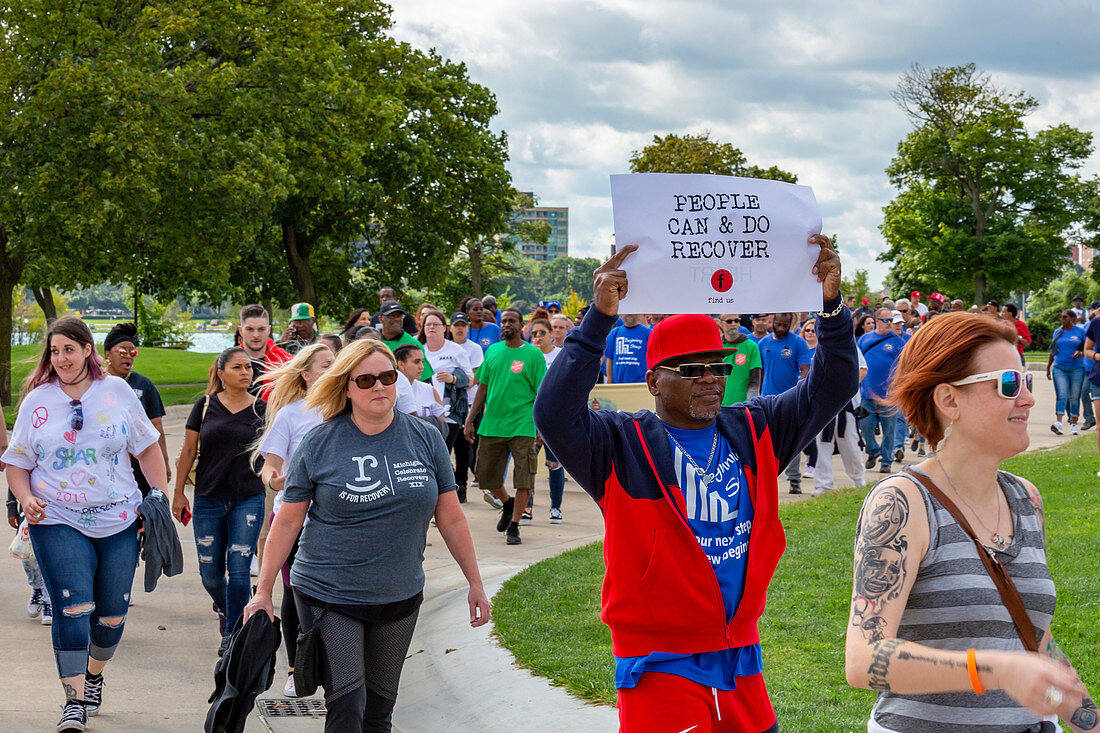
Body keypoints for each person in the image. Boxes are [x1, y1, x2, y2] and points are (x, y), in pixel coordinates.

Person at [534, 236, 857, 733]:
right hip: (659, 660)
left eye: (718, 367)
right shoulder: (620, 445)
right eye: (691, 369)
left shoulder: (755, 430)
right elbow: (553, 414)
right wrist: (596, 321)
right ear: (654, 381)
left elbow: (832, 385)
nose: (710, 379)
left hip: (739, 653)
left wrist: (831, 308)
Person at [844, 312, 1095, 732]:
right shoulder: (903, 502)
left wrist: (1088, 719)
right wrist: (992, 670)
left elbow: (1036, 640)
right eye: (1009, 385)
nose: (1029, 399)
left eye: (1027, 383)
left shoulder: (1026, 498)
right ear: (949, 401)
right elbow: (864, 659)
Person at [242, 338, 490, 733]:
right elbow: (287, 523)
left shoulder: (426, 437)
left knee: (379, 711)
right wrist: (263, 591)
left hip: (400, 595)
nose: (379, 386)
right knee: (348, 702)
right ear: (346, 387)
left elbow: (452, 518)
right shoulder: (319, 442)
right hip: (329, 592)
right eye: (366, 380)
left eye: (387, 377)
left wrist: (475, 583)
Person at [4, 316, 168, 731]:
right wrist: (26, 498)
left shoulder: (117, 392)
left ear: (87, 351)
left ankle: (94, 675)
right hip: (56, 518)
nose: (61, 358)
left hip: (118, 519)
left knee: (111, 614)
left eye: (69, 350)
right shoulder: (37, 401)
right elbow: (17, 463)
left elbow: (148, 448)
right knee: (72, 607)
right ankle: (74, 700)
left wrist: (160, 497)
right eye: (54, 351)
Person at [173, 347, 267, 657]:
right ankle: (230, 606)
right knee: (210, 572)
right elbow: (188, 451)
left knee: (239, 568)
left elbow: (273, 453)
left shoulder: (263, 410)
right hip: (208, 498)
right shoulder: (205, 406)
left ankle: (233, 635)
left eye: (249, 367)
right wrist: (178, 492)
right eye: (237, 367)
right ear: (221, 372)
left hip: (248, 499)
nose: (245, 372)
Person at [253, 343, 334, 698]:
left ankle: (335, 663)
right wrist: (277, 479)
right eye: (326, 364)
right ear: (306, 374)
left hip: (337, 517)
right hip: (294, 514)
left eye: (336, 362)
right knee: (296, 591)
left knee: (332, 593)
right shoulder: (291, 414)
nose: (334, 368)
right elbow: (269, 466)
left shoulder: (347, 409)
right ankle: (294, 668)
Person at [464, 308, 547, 546]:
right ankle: (507, 503)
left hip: (522, 425)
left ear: (522, 326)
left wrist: (541, 427)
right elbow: (482, 387)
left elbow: (541, 393)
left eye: (512, 321)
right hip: (492, 425)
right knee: (485, 477)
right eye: (504, 321)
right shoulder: (492, 351)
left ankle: (515, 525)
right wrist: (470, 419)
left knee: (524, 479)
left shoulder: (533, 355)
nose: (506, 324)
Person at [102, 322, 171, 497]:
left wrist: (164, 461)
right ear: (107, 354)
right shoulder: (96, 384)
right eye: (122, 351)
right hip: (106, 465)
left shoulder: (144, 385)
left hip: (141, 465)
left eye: (133, 352)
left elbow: (156, 427)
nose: (129, 356)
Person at [758, 312, 813, 493]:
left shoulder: (798, 343)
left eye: (785, 325)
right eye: (779, 324)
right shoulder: (763, 343)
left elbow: (805, 369)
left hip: (789, 400)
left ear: (791, 323)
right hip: (767, 399)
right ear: (773, 322)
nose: (781, 328)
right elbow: (762, 372)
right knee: (766, 441)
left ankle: (794, 479)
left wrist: (798, 391)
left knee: (791, 440)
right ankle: (767, 479)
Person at [420, 309, 475, 463]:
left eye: (436, 324)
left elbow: (470, 380)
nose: (431, 327)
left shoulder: (456, 351)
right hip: (423, 411)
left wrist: (453, 379)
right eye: (428, 324)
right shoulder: (418, 349)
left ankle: (451, 485)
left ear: (444, 328)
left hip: (449, 412)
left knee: (443, 453)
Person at [814, 347, 869, 495]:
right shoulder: (820, 349)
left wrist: (844, 386)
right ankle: (823, 484)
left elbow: (863, 370)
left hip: (846, 405)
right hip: (825, 405)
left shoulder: (850, 346)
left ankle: (858, 479)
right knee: (822, 444)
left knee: (850, 443)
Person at [859, 308, 907, 474]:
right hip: (867, 393)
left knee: (889, 431)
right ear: (877, 321)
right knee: (865, 426)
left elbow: (905, 365)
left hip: (889, 396)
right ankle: (873, 451)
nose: (890, 324)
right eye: (886, 320)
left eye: (891, 321)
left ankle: (886, 461)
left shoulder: (898, 341)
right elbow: (857, 362)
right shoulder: (865, 339)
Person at [530, 317, 566, 524]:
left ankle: (556, 508)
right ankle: (527, 506)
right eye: (534, 333)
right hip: (530, 419)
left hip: (554, 419)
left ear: (552, 334)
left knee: (554, 463)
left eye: (542, 333)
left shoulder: (561, 355)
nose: (537, 337)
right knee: (527, 464)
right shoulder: (528, 355)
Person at [447, 312, 483, 502]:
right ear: (450, 328)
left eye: (463, 325)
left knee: (465, 449)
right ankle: (451, 484)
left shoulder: (474, 349)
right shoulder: (444, 348)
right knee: (446, 449)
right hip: (447, 407)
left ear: (467, 328)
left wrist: (454, 381)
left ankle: (462, 489)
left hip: (469, 404)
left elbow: (473, 379)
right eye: (456, 325)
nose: (460, 329)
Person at [237, 304, 293, 398]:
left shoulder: (287, 362)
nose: (256, 335)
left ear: (268, 330)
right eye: (250, 329)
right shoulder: (227, 362)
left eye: (261, 329)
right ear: (241, 330)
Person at [1046, 310, 1086, 436]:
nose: (1062, 319)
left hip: (1077, 368)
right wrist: (1048, 367)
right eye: (1061, 317)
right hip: (1059, 368)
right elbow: (1053, 350)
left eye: (1065, 317)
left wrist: (1081, 353)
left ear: (1072, 319)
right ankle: (1058, 423)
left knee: (1074, 396)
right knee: (1062, 395)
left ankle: (1074, 423)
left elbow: (1087, 347)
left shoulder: (1080, 332)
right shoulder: (1058, 332)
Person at [378, 301, 433, 381]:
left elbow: (425, 379)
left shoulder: (413, 345)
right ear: (380, 318)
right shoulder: (373, 341)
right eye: (391, 316)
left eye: (399, 316)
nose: (396, 319)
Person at [719, 313, 762, 405]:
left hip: (741, 407)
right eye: (729, 321)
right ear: (720, 323)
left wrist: (748, 406)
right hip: (719, 405)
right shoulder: (716, 346)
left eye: (737, 320)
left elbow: (755, 382)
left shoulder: (751, 346)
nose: (734, 324)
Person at [395, 344, 446, 420]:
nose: (422, 366)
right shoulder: (391, 390)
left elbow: (442, 422)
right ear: (401, 365)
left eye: (422, 361)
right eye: (416, 362)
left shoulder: (429, 389)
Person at [604, 313, 651, 384]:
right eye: (626, 311)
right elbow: (610, 359)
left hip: (641, 385)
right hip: (618, 385)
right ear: (621, 315)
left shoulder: (648, 333)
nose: (629, 314)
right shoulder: (614, 333)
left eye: (632, 311)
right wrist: (610, 382)